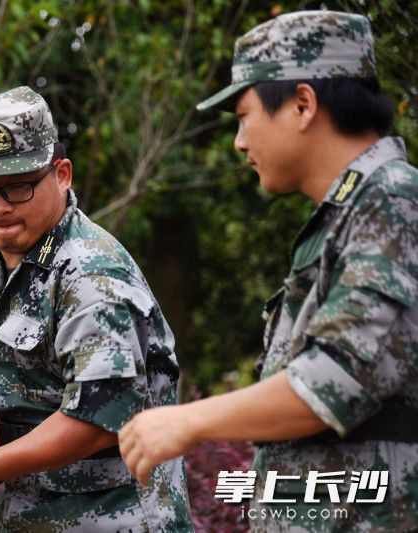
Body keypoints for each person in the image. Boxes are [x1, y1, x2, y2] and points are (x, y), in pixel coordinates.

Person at [119, 10, 418, 532]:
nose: (238, 142)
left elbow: (336, 379)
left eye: (243, 115)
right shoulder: (352, 212)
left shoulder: (392, 198)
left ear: (302, 104)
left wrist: (188, 420)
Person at [0, 86, 193, 532]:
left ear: (62, 174)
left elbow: (99, 417)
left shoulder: (91, 271)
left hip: (119, 519)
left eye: (17, 186)